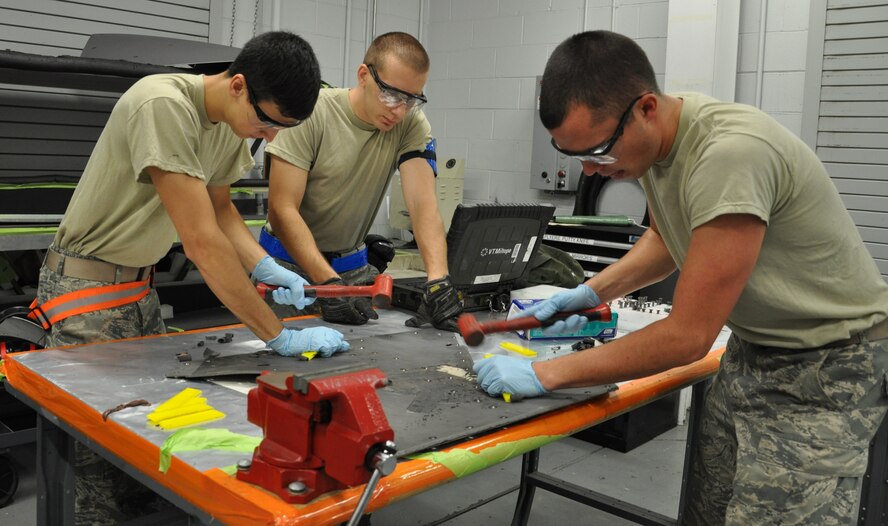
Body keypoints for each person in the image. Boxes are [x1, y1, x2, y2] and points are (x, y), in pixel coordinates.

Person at [473, 30, 888, 525]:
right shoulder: (656, 144)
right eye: (576, 155)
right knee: (708, 510)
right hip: (755, 351)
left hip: (829, 364)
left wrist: (544, 374)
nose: (591, 169)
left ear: (646, 107)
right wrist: (586, 293)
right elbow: (669, 237)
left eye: (600, 151)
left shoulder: (731, 154)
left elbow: (688, 337)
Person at [32, 31, 349, 524]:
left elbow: (222, 211)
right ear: (238, 84)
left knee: (154, 441)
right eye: (267, 122)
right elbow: (201, 240)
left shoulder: (230, 122)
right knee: (103, 469)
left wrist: (266, 267)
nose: (269, 137)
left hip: (139, 290)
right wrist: (276, 333)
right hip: (84, 293)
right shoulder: (162, 104)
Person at [261, 31, 462, 331]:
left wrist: (438, 281)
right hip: (288, 272)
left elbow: (423, 204)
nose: (399, 109)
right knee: (284, 365)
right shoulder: (312, 112)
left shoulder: (410, 124)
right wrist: (327, 283)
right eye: (391, 94)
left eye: (411, 99)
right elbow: (282, 209)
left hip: (352, 272)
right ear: (363, 75)